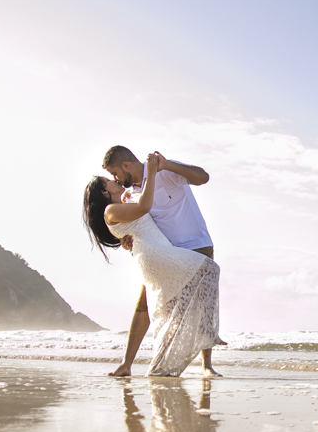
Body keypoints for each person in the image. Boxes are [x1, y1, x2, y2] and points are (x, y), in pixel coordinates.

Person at [83, 153, 221, 377]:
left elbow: (202, 177)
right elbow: (129, 220)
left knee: (202, 300)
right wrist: (124, 239)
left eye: (114, 173)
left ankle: (206, 366)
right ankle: (129, 363)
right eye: (111, 177)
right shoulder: (130, 195)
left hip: (194, 243)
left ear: (125, 165)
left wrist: (167, 165)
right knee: (145, 306)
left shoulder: (164, 172)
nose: (115, 179)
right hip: (164, 253)